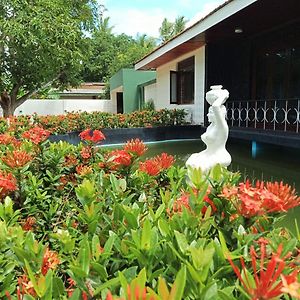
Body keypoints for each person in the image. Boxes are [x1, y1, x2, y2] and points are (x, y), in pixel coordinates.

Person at [186, 85, 231, 173]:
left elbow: (215, 106)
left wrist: (223, 95)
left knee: (199, 168)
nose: (207, 115)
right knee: (190, 163)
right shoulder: (211, 126)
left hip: (220, 156)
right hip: (208, 153)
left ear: (219, 114)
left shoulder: (222, 126)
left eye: (210, 113)